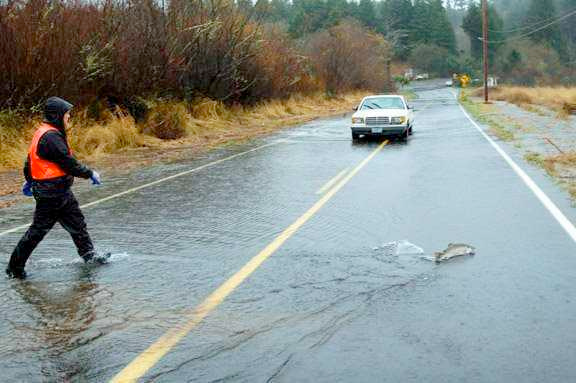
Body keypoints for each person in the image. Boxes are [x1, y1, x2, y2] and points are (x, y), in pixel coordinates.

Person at [6, 97, 108, 279]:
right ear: (57, 116)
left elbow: (29, 161)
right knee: (37, 231)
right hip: (50, 193)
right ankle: (14, 268)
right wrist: (89, 173)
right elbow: (68, 163)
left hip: (59, 190)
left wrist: (29, 180)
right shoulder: (51, 136)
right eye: (67, 114)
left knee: (77, 223)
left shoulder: (45, 132)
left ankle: (89, 256)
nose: (69, 118)